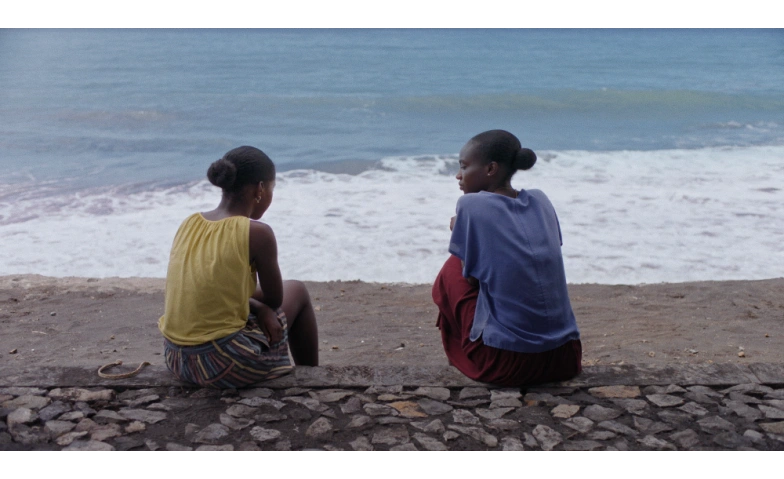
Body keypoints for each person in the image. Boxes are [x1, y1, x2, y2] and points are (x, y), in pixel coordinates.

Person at [158, 145, 318, 389]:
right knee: (298, 290)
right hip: (223, 363)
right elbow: (275, 300)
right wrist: (263, 308)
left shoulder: (189, 223)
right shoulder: (258, 233)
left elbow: (209, 290)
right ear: (260, 189)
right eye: (272, 188)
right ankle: (313, 379)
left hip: (178, 360)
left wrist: (257, 307)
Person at [432, 130, 582, 387]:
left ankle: (461, 355)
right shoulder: (540, 200)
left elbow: (471, 280)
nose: (458, 175)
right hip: (566, 357)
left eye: (464, 167)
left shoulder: (471, 205)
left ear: (491, 169)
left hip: (508, 363)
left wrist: (463, 232)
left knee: (451, 269)